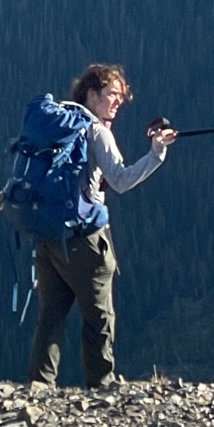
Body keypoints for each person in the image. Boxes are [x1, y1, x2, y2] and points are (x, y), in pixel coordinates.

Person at [27, 62, 175, 391]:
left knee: (50, 316)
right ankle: (101, 386)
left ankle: (39, 387)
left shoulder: (56, 124)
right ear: (91, 94)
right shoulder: (96, 131)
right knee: (99, 317)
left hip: (48, 234)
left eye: (121, 96)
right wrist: (156, 154)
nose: (118, 101)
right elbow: (120, 180)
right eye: (112, 94)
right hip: (85, 238)